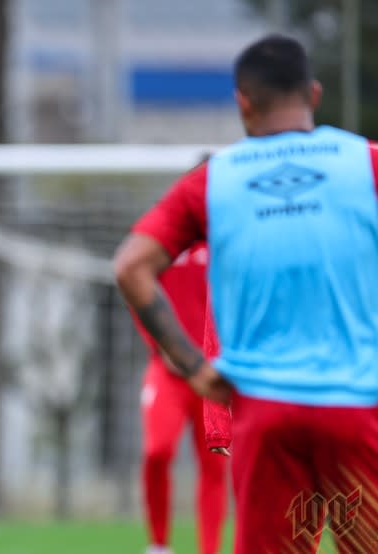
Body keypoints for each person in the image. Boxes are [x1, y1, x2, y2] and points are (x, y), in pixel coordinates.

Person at [113, 35, 378, 553]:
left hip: (265, 412)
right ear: (314, 94)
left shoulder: (213, 180)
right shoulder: (365, 163)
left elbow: (131, 266)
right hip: (354, 406)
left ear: (243, 101)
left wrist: (191, 367)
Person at [130, 242, 227, 554]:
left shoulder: (223, 237)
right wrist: (162, 345)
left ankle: (209, 550)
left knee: (215, 462)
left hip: (212, 374)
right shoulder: (163, 241)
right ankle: (159, 546)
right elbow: (135, 284)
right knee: (157, 451)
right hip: (168, 371)